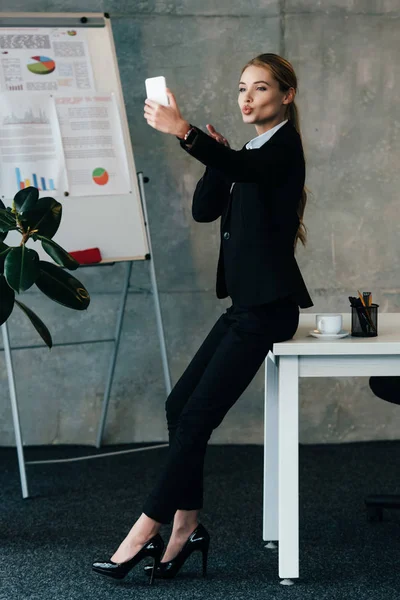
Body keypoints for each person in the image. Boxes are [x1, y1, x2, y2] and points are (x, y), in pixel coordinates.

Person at [92, 52, 313, 584]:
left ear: (286, 96)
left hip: (268, 311)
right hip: (244, 310)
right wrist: (214, 153)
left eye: (260, 89)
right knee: (180, 407)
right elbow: (204, 210)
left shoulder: (283, 150)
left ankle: (144, 531)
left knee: (195, 418)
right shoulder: (249, 152)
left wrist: (186, 132)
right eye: (242, 88)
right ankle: (187, 526)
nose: (247, 97)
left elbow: (251, 171)